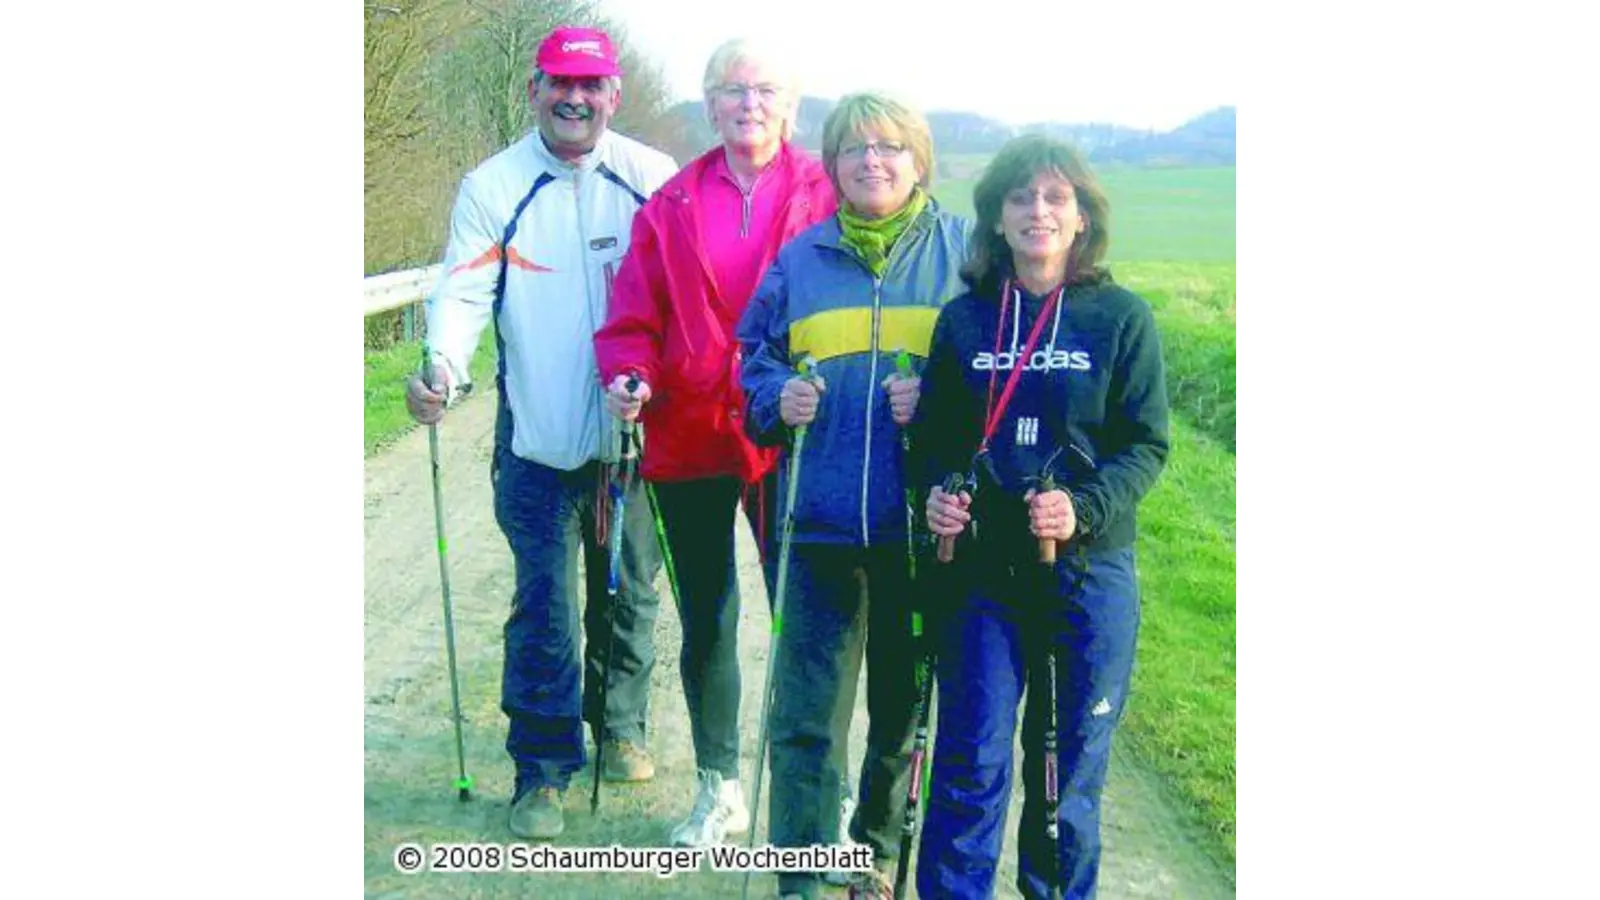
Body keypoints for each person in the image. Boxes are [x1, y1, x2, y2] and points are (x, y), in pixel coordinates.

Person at [404, 24, 679, 841]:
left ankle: (619, 725)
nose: (575, 99)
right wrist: (442, 369)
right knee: (548, 606)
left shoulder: (651, 177)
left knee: (629, 593)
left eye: (591, 85)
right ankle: (543, 767)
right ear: (534, 90)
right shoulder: (493, 185)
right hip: (537, 444)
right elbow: (462, 292)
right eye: (561, 83)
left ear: (613, 95)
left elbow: (683, 295)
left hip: (632, 443)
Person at [592, 37, 838, 848]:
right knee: (707, 619)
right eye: (732, 90)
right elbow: (634, 316)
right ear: (710, 105)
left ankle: (822, 795)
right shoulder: (671, 204)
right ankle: (719, 790)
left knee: (807, 622)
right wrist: (629, 373)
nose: (748, 104)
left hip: (792, 437)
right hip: (690, 435)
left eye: (765, 90)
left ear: (790, 106)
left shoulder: (828, 192)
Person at [911, 134, 1171, 899]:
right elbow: (933, 439)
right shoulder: (964, 320)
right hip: (982, 576)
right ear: (995, 217)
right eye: (1020, 197)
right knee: (971, 757)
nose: (1038, 211)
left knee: (1066, 771)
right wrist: (938, 494)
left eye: (1057, 197)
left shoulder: (1121, 318)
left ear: (1083, 215)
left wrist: (1081, 507)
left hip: (1086, 572)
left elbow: (1147, 444)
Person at [736, 91, 972, 900]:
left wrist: (937, 403)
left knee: (902, 717)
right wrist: (776, 398)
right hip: (819, 528)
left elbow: (994, 382)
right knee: (806, 719)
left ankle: (872, 855)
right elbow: (753, 363)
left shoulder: (966, 257)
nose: (872, 161)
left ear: (918, 159)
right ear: (832, 165)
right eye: (853, 148)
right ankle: (801, 873)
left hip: (921, 533)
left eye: (889, 146)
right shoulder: (800, 261)